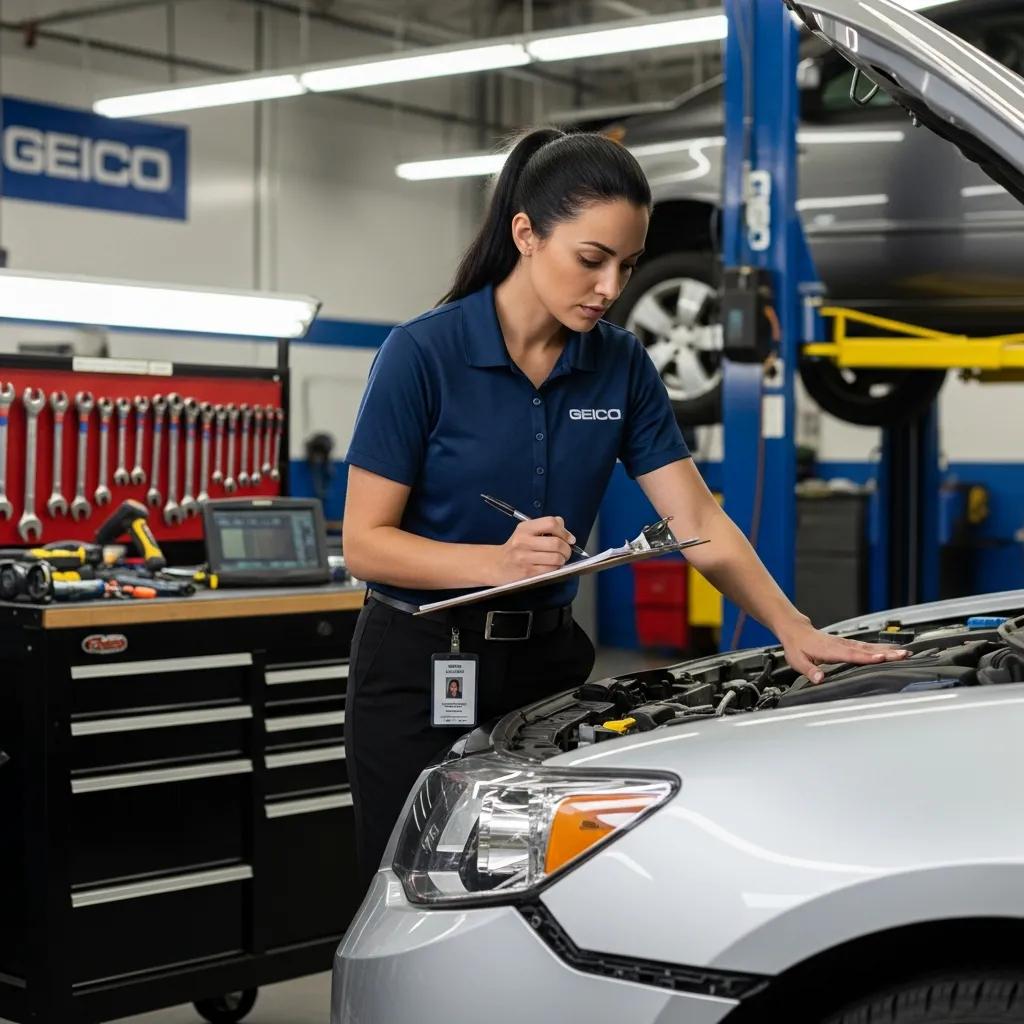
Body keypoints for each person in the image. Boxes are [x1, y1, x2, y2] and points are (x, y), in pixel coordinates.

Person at [342, 127, 909, 887]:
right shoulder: (421, 354)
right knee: (416, 887)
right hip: (421, 667)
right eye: (591, 260)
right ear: (526, 235)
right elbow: (366, 544)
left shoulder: (621, 362)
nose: (611, 287)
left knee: (534, 891)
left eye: (629, 265)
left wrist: (792, 626)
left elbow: (696, 521)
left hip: (545, 666)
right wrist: (495, 562)